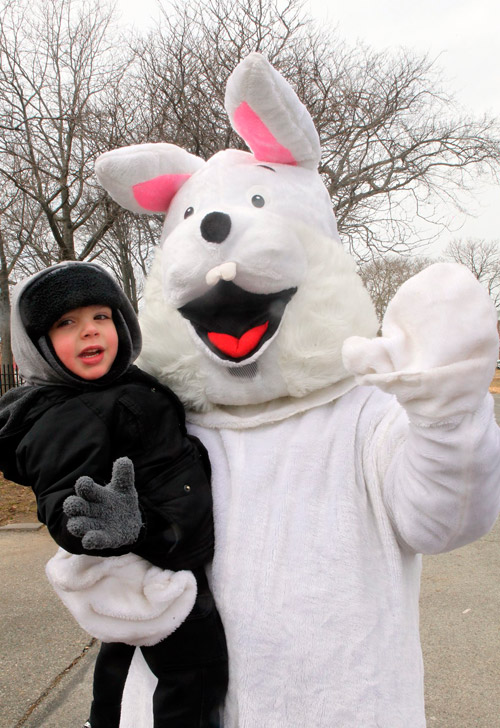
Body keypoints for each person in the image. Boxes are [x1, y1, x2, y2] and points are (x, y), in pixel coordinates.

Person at [0, 261, 228, 728]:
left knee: (121, 658)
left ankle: (103, 721)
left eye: (100, 317)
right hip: (153, 559)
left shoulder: (113, 385)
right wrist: (121, 524)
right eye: (66, 324)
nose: (89, 333)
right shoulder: (66, 416)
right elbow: (65, 505)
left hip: (162, 541)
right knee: (196, 668)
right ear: (39, 346)